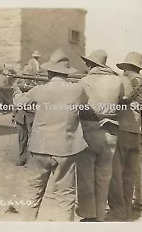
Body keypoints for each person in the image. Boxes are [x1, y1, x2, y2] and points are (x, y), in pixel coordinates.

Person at [14, 62, 89, 221]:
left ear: (49, 73)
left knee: (32, 192)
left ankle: (26, 231)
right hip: (66, 148)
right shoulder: (77, 89)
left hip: (40, 147)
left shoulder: (40, 90)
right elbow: (84, 103)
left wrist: (16, 92)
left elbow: (20, 102)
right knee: (65, 195)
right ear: (66, 73)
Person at [76, 50, 123, 222]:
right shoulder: (118, 81)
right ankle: (101, 215)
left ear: (90, 64)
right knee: (104, 177)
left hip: (89, 130)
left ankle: (89, 213)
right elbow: (122, 99)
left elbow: (78, 104)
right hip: (111, 131)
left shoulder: (84, 81)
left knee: (86, 176)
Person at [108, 52, 142, 221]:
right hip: (137, 133)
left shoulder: (124, 81)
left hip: (122, 131)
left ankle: (118, 212)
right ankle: (128, 211)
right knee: (130, 175)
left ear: (127, 67)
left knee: (116, 174)